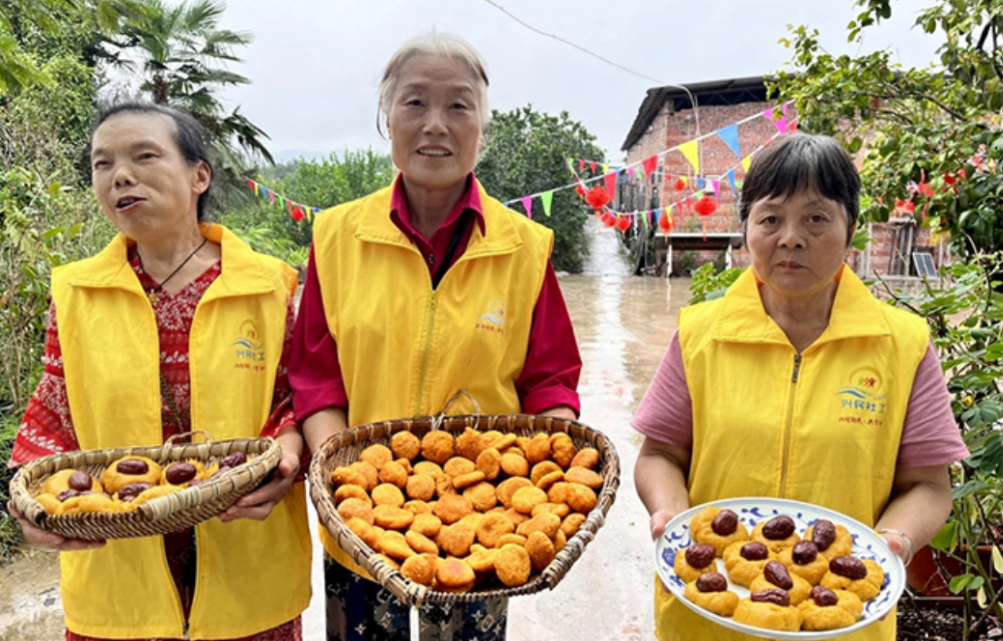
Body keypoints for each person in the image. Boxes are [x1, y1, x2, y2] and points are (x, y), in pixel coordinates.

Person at [291, 32, 582, 641]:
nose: (435, 125)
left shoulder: (524, 247)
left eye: (458, 106)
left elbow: (549, 377)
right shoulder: (337, 237)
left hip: (488, 519)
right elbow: (316, 375)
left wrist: (551, 477)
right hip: (362, 517)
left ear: (483, 127)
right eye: (414, 102)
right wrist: (339, 479)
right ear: (386, 118)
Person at [632, 133, 969, 641]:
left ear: (850, 229)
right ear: (746, 229)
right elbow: (659, 453)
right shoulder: (700, 333)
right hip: (707, 611)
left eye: (816, 217)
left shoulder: (903, 344)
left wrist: (893, 542)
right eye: (770, 218)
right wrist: (670, 515)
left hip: (844, 614)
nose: (791, 237)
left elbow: (928, 484)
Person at [8, 102, 312, 641]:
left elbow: (294, 401)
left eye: (145, 156)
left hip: (244, 548)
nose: (121, 175)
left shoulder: (272, 285)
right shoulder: (76, 293)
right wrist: (31, 504)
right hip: (117, 566)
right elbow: (56, 409)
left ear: (200, 175)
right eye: (103, 164)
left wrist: (285, 461)